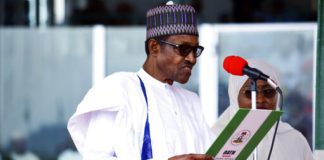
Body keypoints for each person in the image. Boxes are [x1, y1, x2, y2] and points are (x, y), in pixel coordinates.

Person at [68, 1, 214, 159]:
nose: (192, 59)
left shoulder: (191, 101)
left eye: (195, 50)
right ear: (154, 47)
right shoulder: (119, 90)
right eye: (184, 49)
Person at [212, 58, 313, 160]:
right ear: (234, 96)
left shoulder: (294, 140)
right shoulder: (213, 139)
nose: (260, 100)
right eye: (249, 93)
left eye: (268, 92)